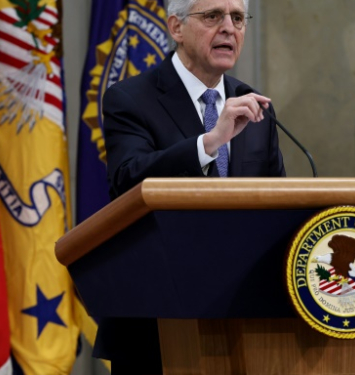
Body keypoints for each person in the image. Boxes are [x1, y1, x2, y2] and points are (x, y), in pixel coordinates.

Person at [95, 0, 284, 373]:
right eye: (213, 16)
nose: (229, 27)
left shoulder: (254, 106)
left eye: (238, 17)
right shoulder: (131, 99)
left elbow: (277, 206)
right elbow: (128, 180)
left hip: (248, 321)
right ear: (176, 28)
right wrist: (208, 143)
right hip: (159, 323)